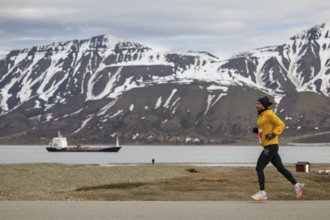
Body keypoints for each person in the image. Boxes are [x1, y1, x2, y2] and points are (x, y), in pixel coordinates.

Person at [251, 96, 304, 200]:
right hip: (269, 146)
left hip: (271, 146)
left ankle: (262, 193)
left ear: (264, 105)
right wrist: (257, 131)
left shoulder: (270, 114)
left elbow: (281, 125)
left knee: (259, 167)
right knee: (280, 168)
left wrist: (273, 134)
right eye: (256, 103)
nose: (256, 105)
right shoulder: (261, 116)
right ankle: (297, 185)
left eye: (258, 104)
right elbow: (265, 130)